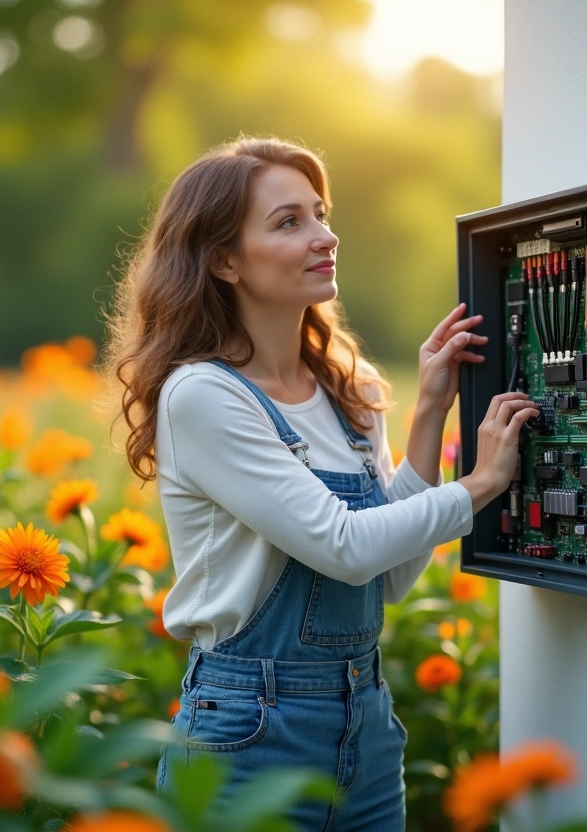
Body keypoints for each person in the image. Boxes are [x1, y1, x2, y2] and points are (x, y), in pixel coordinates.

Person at [107, 135, 535, 831]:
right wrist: (481, 483)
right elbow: (345, 547)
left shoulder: (348, 387)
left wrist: (430, 411)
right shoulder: (205, 397)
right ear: (224, 260)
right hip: (248, 733)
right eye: (289, 222)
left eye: (321, 214)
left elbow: (387, 579)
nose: (325, 236)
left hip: (365, 723)